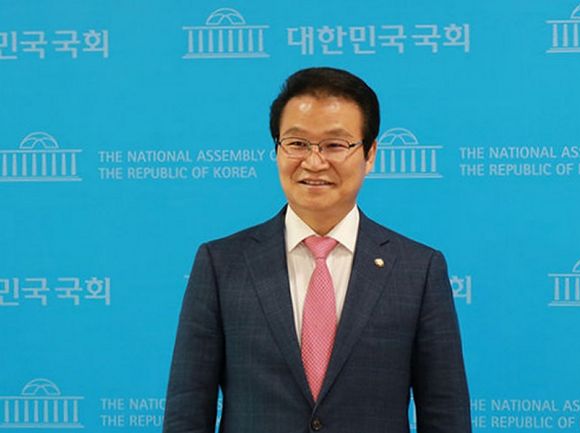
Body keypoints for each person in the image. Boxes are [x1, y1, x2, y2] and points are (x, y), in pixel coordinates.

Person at [163, 67, 471, 433]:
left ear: (370, 153)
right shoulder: (221, 265)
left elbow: (445, 415)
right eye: (297, 144)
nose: (313, 162)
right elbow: (187, 411)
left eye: (335, 145)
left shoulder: (417, 270)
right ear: (276, 149)